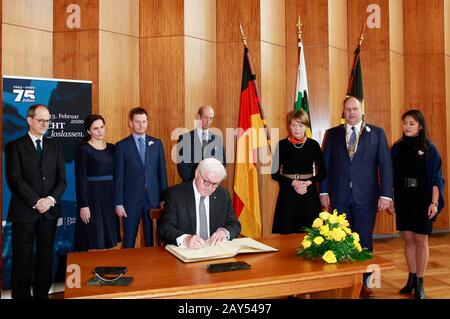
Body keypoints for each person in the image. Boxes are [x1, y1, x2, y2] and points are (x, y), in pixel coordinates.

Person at [319, 96, 393, 298]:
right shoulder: (332, 134)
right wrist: (323, 191)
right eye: (347, 109)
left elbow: (385, 166)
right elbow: (325, 166)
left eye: (355, 108)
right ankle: (344, 280)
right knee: (340, 238)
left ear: (362, 110)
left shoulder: (377, 133)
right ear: (343, 112)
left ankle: (366, 283)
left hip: (367, 197)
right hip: (339, 195)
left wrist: (386, 195)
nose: (351, 112)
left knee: (364, 240)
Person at [5, 104, 66, 299]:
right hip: (24, 212)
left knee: (45, 258)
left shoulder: (55, 147)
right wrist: (36, 201)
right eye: (41, 120)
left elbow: (62, 180)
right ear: (29, 120)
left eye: (48, 121)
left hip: (49, 212)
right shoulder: (15, 146)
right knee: (22, 260)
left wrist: (49, 200)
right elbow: (15, 179)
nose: (45, 124)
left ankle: (42, 295)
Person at [391, 109, 444, 299]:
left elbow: (437, 179)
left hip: (422, 199)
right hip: (404, 198)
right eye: (405, 123)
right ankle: (411, 278)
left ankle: (420, 283)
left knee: (421, 240)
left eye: (412, 123)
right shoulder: (396, 148)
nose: (407, 126)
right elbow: (391, 176)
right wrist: (391, 198)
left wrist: (434, 202)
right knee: (408, 239)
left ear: (420, 126)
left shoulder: (430, 149)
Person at [159, 158, 241, 249]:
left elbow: (235, 224)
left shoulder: (223, 195)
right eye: (206, 181)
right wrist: (186, 239)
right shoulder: (175, 194)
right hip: (186, 253)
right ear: (197, 173)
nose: (209, 188)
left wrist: (224, 232)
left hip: (215, 252)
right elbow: (165, 227)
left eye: (215, 184)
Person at [115, 107, 168, 248]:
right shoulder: (121, 146)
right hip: (130, 200)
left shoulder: (157, 144)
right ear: (130, 123)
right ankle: (127, 268)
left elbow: (161, 172)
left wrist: (164, 198)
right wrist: (119, 203)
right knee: (129, 240)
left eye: (144, 121)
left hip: (153, 199)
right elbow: (119, 177)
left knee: (152, 241)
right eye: (137, 122)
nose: (141, 125)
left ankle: (151, 269)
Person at [271, 110, 326, 234]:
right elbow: (274, 174)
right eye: (293, 125)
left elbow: (323, 173)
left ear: (306, 126)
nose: (296, 129)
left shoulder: (313, 145)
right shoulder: (281, 145)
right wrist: (294, 182)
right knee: (287, 232)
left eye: (301, 125)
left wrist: (308, 182)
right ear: (289, 125)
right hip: (288, 192)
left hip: (309, 193)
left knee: (312, 233)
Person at [74, 114, 121, 251]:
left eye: (102, 127)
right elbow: (81, 178)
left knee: (109, 240)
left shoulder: (112, 148)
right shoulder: (83, 150)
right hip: (92, 200)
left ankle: (106, 270)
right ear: (89, 131)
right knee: (95, 239)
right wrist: (84, 205)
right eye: (95, 128)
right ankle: (93, 271)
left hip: (110, 198)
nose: (100, 131)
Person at [177, 105, 226, 182]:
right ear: (198, 117)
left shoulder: (217, 140)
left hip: (211, 186)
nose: (208, 121)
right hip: (191, 185)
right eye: (206, 117)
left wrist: (210, 182)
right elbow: (182, 167)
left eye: (211, 118)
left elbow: (222, 164)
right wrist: (197, 182)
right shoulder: (184, 139)